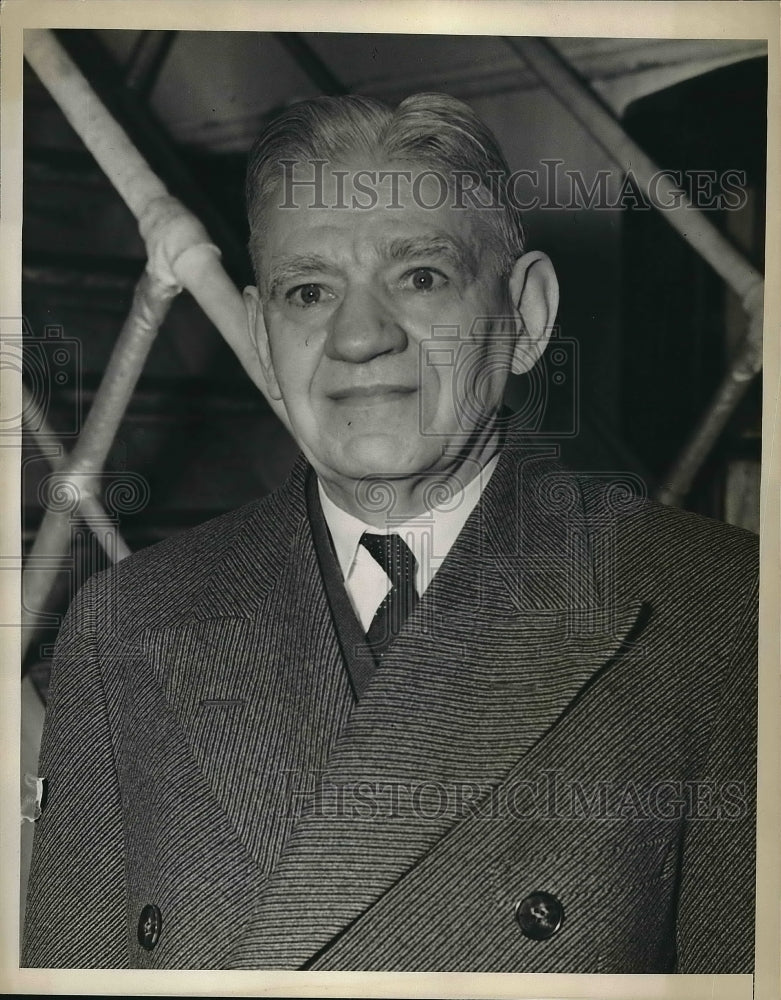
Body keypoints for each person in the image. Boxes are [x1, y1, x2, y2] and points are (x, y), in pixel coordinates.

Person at [22, 93, 758, 973]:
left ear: (523, 316)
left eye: (419, 277)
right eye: (308, 291)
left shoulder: (723, 612)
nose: (359, 336)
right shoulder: (123, 625)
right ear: (262, 339)